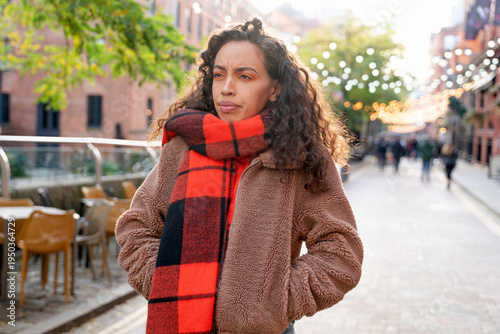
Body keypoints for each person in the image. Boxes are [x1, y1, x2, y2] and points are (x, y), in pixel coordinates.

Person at [115, 18, 363, 334]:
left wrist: (275, 304)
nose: (227, 87)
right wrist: (167, 282)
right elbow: (137, 227)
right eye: (219, 75)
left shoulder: (299, 156)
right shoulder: (184, 146)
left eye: (244, 76)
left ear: (274, 89)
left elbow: (341, 254)